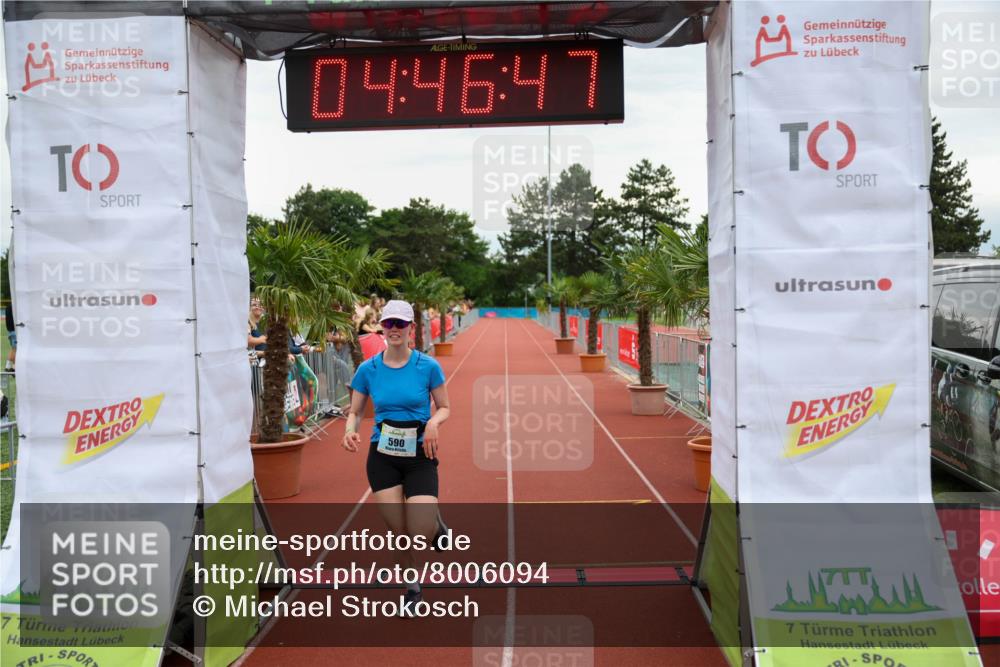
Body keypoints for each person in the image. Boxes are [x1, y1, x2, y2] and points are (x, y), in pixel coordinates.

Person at [342, 299, 450, 616]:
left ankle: (436, 527)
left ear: (410, 328)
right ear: (382, 328)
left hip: (420, 454)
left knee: (419, 533)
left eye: (400, 324)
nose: (394, 330)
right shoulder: (368, 369)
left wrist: (432, 423)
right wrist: (349, 430)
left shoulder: (427, 366)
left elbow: (444, 406)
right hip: (383, 457)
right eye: (389, 324)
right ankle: (412, 587)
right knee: (399, 533)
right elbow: (356, 411)